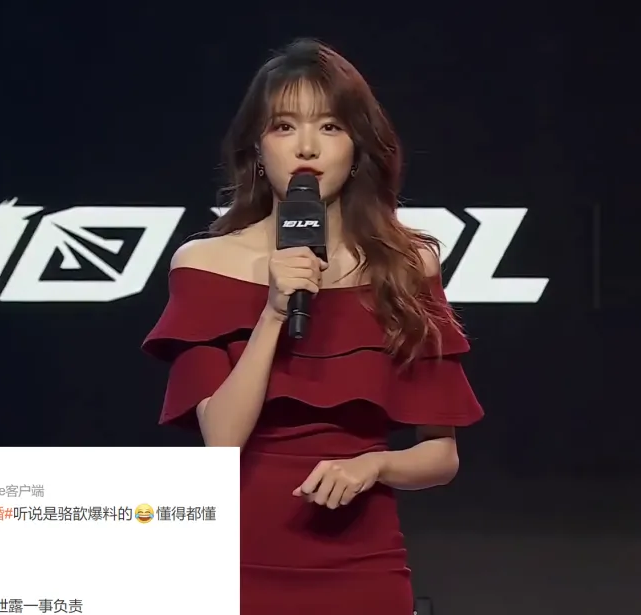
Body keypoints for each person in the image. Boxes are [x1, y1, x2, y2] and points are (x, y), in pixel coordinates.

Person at [142, 39, 483, 614]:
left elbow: (441, 455)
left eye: (329, 126)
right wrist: (274, 311)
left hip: (362, 567)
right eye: (284, 126)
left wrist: (374, 465)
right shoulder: (205, 264)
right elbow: (220, 439)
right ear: (258, 148)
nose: (306, 146)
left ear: (357, 146)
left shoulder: (406, 266)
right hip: (236, 564)